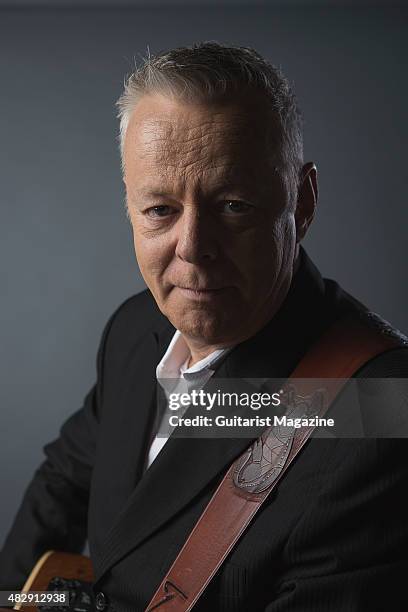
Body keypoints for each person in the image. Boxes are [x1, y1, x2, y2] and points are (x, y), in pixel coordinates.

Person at [1, 42, 407, 611]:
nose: (192, 249)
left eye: (233, 205)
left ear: (303, 200)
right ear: (129, 206)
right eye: (160, 209)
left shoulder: (382, 408)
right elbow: (65, 481)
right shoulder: (134, 329)